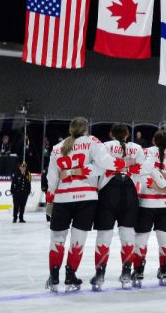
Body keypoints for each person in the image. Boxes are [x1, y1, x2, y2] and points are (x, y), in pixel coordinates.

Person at [45, 117, 129, 293]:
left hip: (62, 198)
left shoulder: (56, 148)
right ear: (86, 129)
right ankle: (70, 275)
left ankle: (53, 276)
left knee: (57, 239)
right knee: (78, 239)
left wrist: (50, 199)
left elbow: (52, 179)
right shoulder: (92, 141)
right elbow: (105, 163)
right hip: (86, 197)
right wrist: (121, 164)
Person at [90, 124, 148, 291]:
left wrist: (117, 164)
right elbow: (141, 169)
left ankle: (100, 274)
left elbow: (99, 167)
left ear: (111, 133)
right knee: (128, 235)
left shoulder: (105, 146)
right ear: (128, 134)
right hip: (130, 192)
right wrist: (127, 164)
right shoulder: (137, 148)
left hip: (108, 192)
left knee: (104, 235)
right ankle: (126, 273)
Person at [132, 130, 166, 287]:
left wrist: (156, 186)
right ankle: (165, 268)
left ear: (154, 140)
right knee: (165, 237)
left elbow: (138, 173)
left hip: (147, 202)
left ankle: (139, 270)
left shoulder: (146, 152)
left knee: (141, 237)